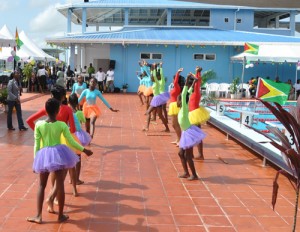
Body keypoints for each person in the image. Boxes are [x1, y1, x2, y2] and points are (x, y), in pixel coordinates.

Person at [26, 98, 93, 224]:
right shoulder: (62, 125)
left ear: (45, 110)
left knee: (41, 185)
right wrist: (84, 150)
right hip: (59, 153)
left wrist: (36, 161)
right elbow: (71, 141)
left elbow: (36, 144)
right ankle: (61, 215)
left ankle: (38, 216)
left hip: (44, 154)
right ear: (58, 111)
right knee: (60, 184)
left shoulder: (39, 124)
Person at [177, 74, 206, 181]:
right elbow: (188, 92)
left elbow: (185, 93)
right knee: (181, 153)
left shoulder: (184, 108)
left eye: (178, 99)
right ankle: (186, 172)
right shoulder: (181, 109)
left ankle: (194, 174)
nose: (177, 101)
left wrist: (188, 79)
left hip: (189, 133)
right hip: (185, 133)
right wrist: (193, 83)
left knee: (188, 156)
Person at [68, 93, 92, 184]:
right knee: (78, 158)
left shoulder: (67, 111)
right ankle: (76, 179)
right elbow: (83, 121)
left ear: (68, 102)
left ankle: (71, 179)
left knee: (70, 157)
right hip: (79, 136)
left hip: (70, 134)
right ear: (77, 102)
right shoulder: (79, 113)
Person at [188, 67, 210, 160]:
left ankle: (200, 154)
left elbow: (198, 82)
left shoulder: (196, 91)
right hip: (192, 114)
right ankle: (195, 154)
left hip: (195, 115)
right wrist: (196, 72)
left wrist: (197, 72)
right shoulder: (191, 91)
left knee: (195, 135)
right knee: (194, 135)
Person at [143, 63, 170, 132]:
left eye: (153, 78)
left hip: (157, 99)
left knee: (148, 112)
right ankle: (167, 128)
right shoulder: (156, 82)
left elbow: (156, 75)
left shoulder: (158, 82)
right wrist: (154, 68)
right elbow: (153, 75)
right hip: (158, 99)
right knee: (160, 115)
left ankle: (147, 127)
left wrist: (156, 67)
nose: (152, 78)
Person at [168, 68, 184, 146]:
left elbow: (175, 82)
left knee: (175, 124)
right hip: (173, 105)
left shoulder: (177, 87)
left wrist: (177, 72)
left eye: (173, 79)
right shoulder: (176, 87)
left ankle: (180, 140)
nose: (172, 80)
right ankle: (178, 138)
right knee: (174, 124)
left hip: (175, 106)